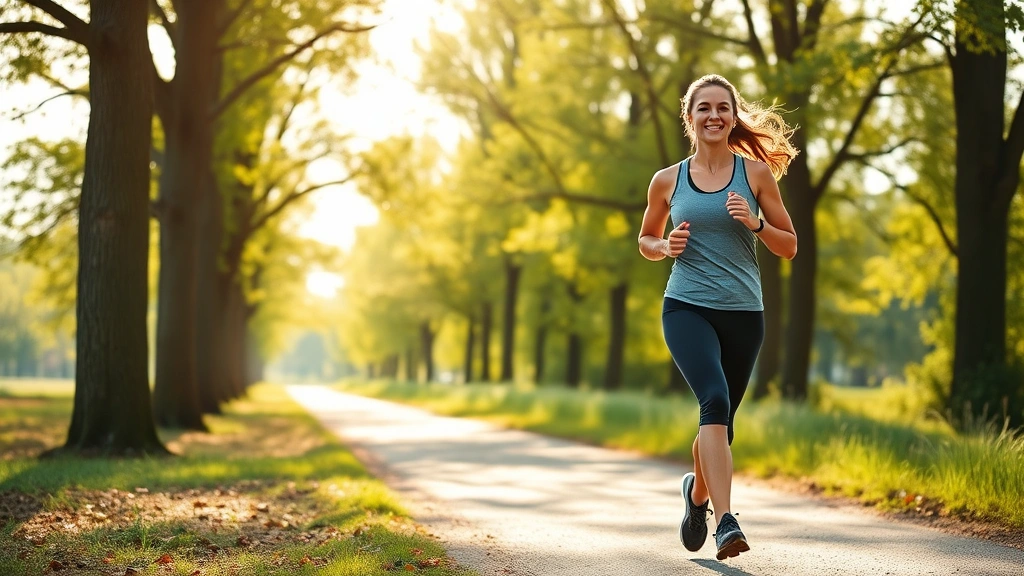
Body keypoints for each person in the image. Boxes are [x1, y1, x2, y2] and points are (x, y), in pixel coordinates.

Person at [637, 74, 798, 560]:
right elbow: (645, 238)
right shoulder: (668, 180)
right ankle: (726, 523)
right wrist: (664, 246)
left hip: (744, 313)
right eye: (703, 108)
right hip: (685, 306)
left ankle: (697, 495)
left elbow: (788, 245)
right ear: (690, 118)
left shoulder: (755, 176)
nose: (714, 116)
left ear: (733, 115)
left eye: (722, 108)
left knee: (721, 424)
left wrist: (756, 223)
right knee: (713, 397)